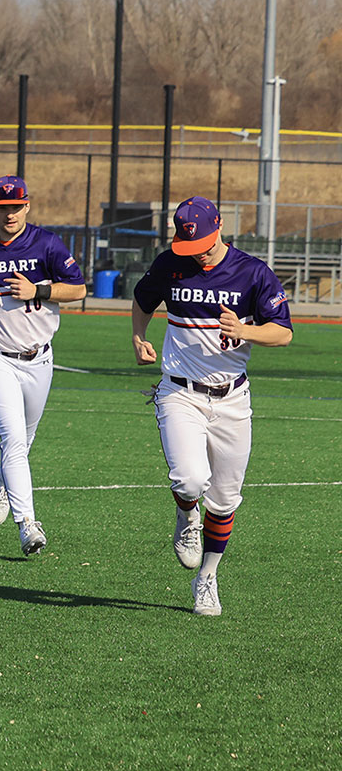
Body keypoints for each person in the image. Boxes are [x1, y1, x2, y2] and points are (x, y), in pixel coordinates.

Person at [130, 197, 293, 616]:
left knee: (223, 500)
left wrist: (246, 329)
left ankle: (206, 577)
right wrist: (138, 335)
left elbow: (284, 334)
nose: (196, 251)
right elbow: (143, 300)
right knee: (188, 480)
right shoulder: (170, 263)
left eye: (201, 242)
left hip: (233, 399)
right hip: (179, 391)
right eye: (187, 244)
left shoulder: (252, 272)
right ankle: (186, 521)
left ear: (218, 229)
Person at [0, 176, 87, 555]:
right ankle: (28, 524)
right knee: (14, 438)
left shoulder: (47, 244)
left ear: (28, 206)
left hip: (38, 358)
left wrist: (39, 289)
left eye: (17, 205)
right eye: (3, 206)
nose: (10, 212)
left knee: (25, 439)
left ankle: (3, 479)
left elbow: (78, 289)